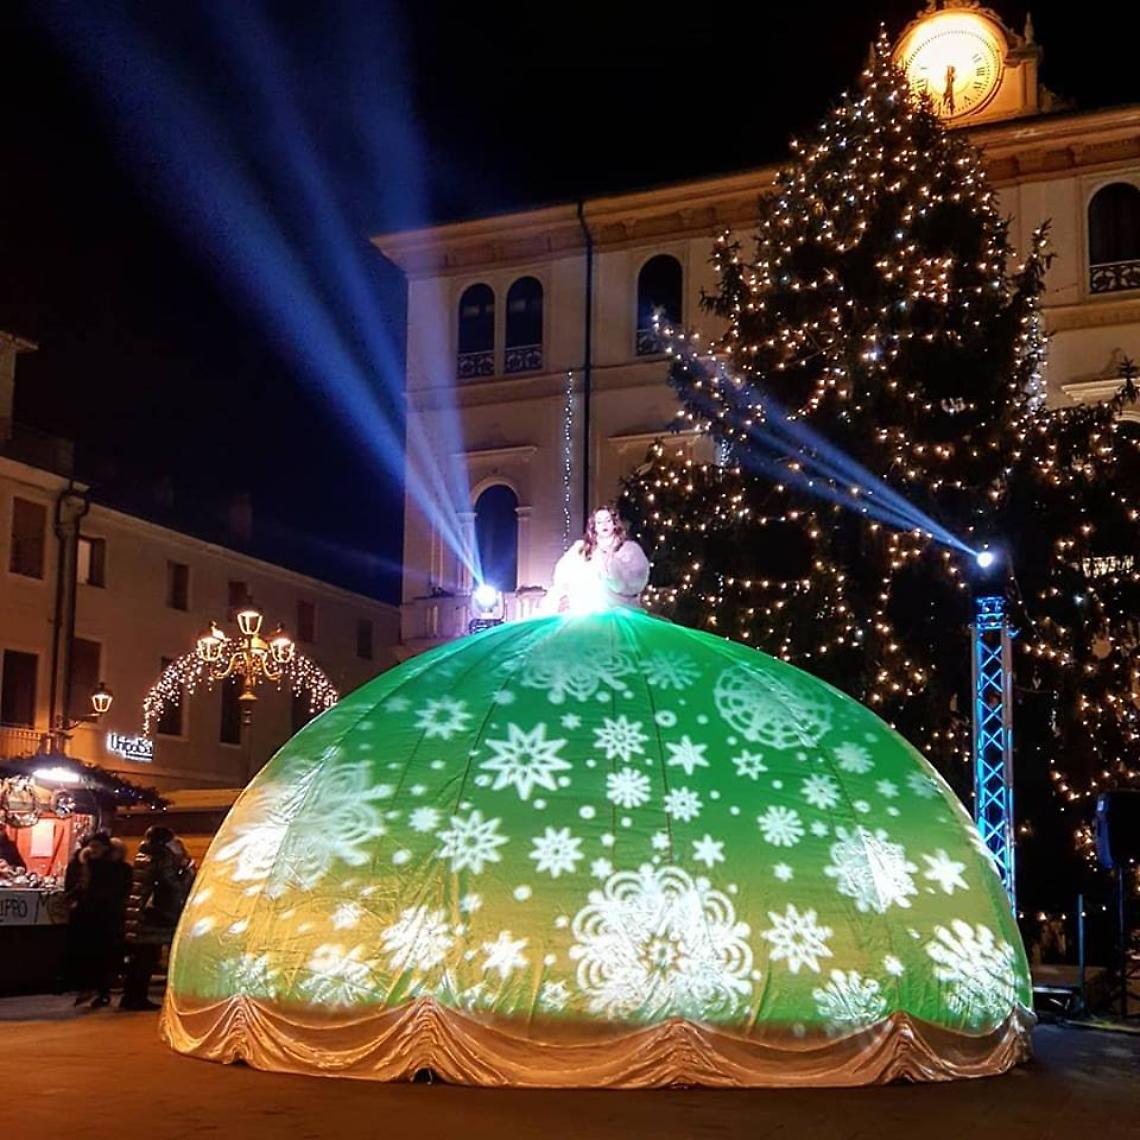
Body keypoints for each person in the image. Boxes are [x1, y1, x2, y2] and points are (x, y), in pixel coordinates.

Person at [120, 826, 195, 1011]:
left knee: (140, 956)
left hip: (141, 911)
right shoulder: (163, 857)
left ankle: (131, 996)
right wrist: (187, 872)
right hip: (156, 915)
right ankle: (137, 997)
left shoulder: (143, 854)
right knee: (147, 956)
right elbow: (172, 885)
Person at [545, 505, 650, 615]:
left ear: (614, 523)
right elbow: (563, 574)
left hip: (619, 612)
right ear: (594, 526)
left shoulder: (628, 549)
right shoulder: (581, 549)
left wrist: (610, 564)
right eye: (599, 522)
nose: (604, 525)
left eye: (608, 521)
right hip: (584, 613)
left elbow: (633, 581)